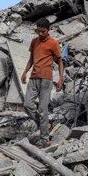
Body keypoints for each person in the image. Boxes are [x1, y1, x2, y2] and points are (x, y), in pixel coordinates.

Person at [21, 18, 64, 147]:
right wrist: (25, 72)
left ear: (48, 30)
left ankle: (45, 139)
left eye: (43, 31)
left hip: (46, 79)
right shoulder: (34, 42)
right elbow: (31, 59)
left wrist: (61, 78)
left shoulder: (53, 43)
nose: (40, 34)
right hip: (34, 77)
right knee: (27, 105)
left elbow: (60, 61)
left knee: (42, 109)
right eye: (38, 31)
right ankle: (45, 125)